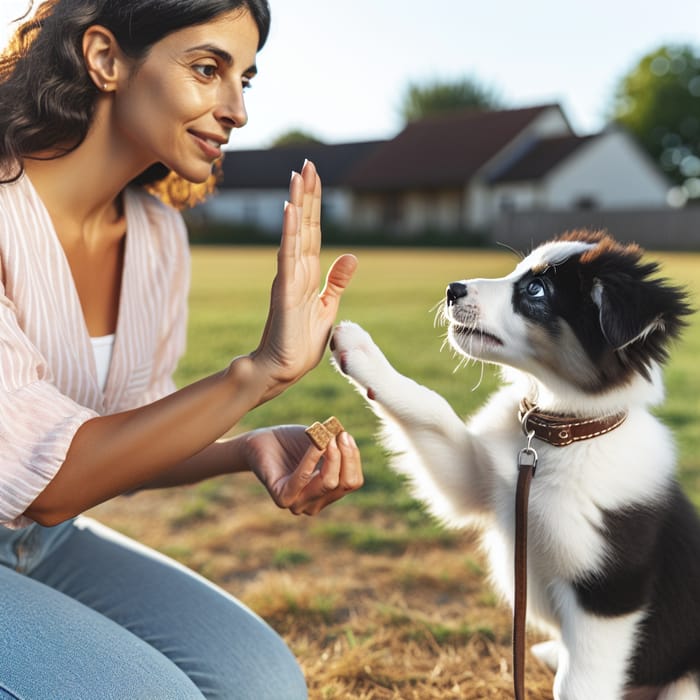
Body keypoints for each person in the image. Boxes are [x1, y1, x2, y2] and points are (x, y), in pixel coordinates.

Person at [0, 1, 363, 698]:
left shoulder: (158, 236)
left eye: (245, 81)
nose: (237, 111)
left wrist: (244, 447)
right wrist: (256, 374)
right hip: (43, 517)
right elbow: (47, 486)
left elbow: (122, 443)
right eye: (207, 69)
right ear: (105, 59)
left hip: (42, 543)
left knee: (265, 683)